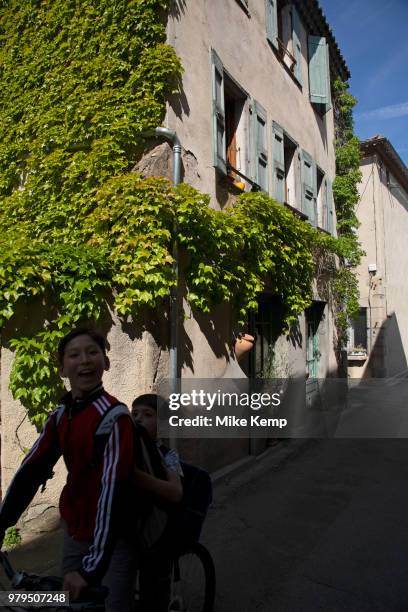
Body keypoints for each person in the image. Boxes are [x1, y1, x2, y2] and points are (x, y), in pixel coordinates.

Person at [0, 327, 137, 612]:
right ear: (63, 369)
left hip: (113, 539)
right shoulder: (61, 415)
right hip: (76, 530)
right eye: (74, 355)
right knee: (64, 603)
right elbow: (31, 470)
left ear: (106, 363)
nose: (84, 360)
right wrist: (2, 523)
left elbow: (113, 494)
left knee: (112, 606)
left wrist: (91, 569)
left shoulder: (115, 418)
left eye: (92, 352)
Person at [131, 393, 182, 612]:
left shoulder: (168, 455)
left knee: (154, 593)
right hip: (134, 528)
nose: (138, 419)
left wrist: (139, 478)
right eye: (134, 414)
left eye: (147, 414)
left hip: (160, 534)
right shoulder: (128, 450)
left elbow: (175, 492)